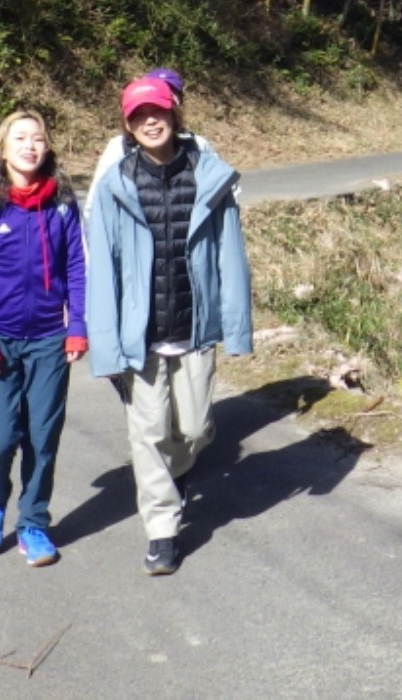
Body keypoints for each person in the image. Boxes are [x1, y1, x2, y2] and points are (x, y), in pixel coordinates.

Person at [84, 76, 252, 577]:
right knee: (149, 432)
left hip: (194, 328)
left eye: (156, 111)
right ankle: (161, 531)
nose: (149, 121)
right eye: (137, 116)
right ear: (127, 126)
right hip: (142, 335)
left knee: (196, 429)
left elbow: (231, 255)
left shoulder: (208, 175)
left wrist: (238, 327)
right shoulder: (115, 185)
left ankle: (176, 472)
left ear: (175, 113)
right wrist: (106, 345)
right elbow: (104, 273)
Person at [0, 110, 87, 567]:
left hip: (50, 339)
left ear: (48, 148)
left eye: (38, 138)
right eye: (20, 138)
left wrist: (78, 326)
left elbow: (78, 269)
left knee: (42, 437)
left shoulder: (64, 205)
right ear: (3, 149)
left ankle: (33, 522)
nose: (30, 145)